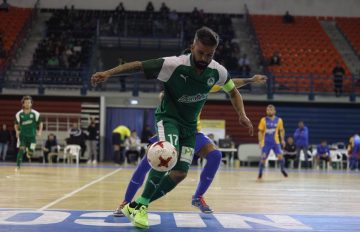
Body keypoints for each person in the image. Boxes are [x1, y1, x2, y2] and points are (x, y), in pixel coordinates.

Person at [91, 27, 254, 229]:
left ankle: (137, 204)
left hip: (190, 127)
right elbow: (138, 66)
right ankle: (140, 207)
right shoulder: (174, 64)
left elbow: (233, 91)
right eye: (201, 52)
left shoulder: (217, 71)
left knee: (179, 174)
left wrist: (242, 114)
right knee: (166, 154)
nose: (204, 58)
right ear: (193, 46)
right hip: (168, 119)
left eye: (209, 54)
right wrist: (108, 73)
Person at [112, 75, 267, 217]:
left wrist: (251, 80)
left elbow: (230, 84)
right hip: (171, 129)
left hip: (192, 132)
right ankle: (127, 201)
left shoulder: (203, 83)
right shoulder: (175, 82)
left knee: (215, 155)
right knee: (148, 162)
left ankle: (197, 197)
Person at [257, 104, 288, 180]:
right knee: (263, 159)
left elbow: (281, 130)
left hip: (275, 142)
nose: (269, 111)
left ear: (274, 111)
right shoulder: (263, 120)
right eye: (267, 110)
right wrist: (260, 142)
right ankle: (260, 174)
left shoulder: (279, 120)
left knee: (281, 157)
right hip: (266, 143)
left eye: (270, 110)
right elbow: (260, 132)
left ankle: (282, 169)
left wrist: (283, 140)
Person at [14, 96, 43, 171]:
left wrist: (39, 131)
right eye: (26, 103)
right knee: (21, 150)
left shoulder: (36, 114)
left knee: (31, 152)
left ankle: (29, 152)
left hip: (32, 136)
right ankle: (17, 166)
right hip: (22, 136)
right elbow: (16, 124)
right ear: (23, 104)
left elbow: (40, 123)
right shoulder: (19, 114)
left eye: (29, 102)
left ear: (31, 104)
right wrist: (17, 131)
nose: (27, 104)